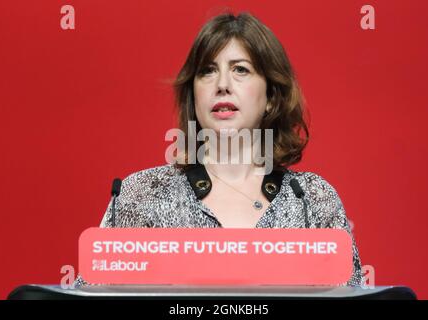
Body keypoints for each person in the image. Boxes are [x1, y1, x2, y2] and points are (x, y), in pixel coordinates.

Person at [78, 12, 363, 287]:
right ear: (194, 94)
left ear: (271, 98)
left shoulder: (312, 200)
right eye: (207, 71)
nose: (222, 85)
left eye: (241, 70)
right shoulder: (141, 193)